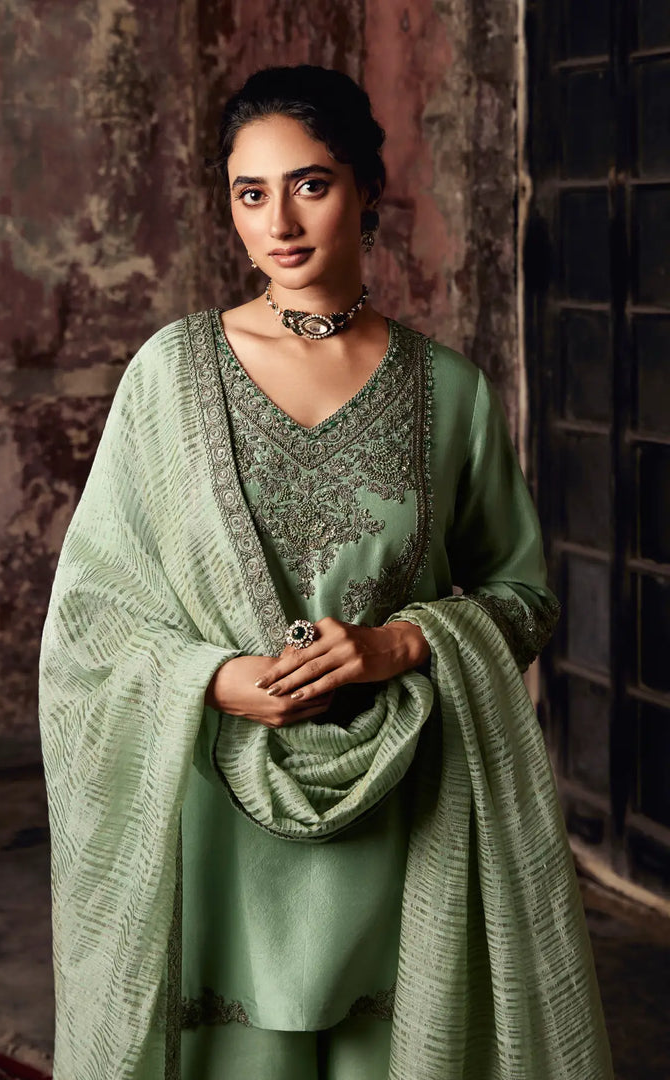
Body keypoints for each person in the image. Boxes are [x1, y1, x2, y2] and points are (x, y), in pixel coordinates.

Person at [39, 65, 613, 1080]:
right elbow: (91, 615)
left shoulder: (449, 394)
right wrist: (213, 680)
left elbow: (522, 597)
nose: (280, 222)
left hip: (405, 810)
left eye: (311, 184)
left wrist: (400, 643)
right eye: (250, 193)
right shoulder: (171, 377)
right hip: (221, 806)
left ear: (369, 193)